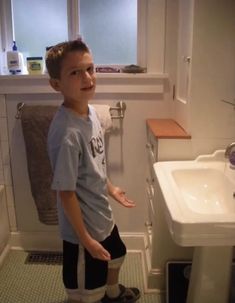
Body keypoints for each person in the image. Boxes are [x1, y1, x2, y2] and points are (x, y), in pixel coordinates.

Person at [46, 39, 141, 303]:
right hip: (82, 232)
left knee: (117, 255)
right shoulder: (67, 134)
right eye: (75, 72)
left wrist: (111, 188)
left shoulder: (90, 114)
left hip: (102, 217)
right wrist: (86, 240)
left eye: (90, 68)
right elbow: (66, 194)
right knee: (86, 292)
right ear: (56, 84)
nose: (87, 77)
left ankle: (112, 293)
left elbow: (94, 163)